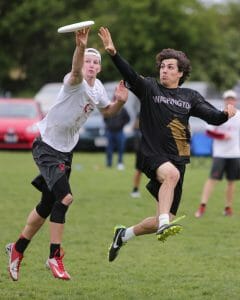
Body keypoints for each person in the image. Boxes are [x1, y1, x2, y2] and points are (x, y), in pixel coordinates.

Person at [98, 27, 236, 262]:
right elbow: (130, 75)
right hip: (151, 153)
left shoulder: (190, 97)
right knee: (169, 179)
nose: (164, 70)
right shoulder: (150, 88)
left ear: (180, 73)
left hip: (178, 157)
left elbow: (212, 117)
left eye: (170, 67)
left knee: (168, 213)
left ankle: (124, 235)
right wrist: (113, 53)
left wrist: (226, 113)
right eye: (162, 66)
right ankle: (163, 224)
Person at [5, 27, 128, 281]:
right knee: (65, 199)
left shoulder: (98, 89)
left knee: (47, 205)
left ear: (100, 68)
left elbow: (107, 112)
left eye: (96, 62)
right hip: (47, 146)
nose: (91, 65)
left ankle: (17, 249)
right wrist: (80, 47)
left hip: (65, 152)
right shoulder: (74, 81)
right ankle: (54, 256)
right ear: (82, 65)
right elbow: (74, 70)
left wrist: (121, 102)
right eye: (88, 62)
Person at [195, 90, 240, 218]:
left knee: (232, 182)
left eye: (232, 99)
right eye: (228, 99)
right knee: (212, 180)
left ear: (235, 101)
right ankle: (202, 206)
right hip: (219, 154)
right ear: (224, 100)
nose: (230, 101)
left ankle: (228, 208)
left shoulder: (239, 116)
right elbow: (208, 132)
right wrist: (222, 136)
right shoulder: (218, 113)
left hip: (234, 154)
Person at [104, 105, 130, 170]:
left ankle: (120, 163)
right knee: (109, 148)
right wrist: (108, 125)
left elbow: (128, 119)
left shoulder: (123, 109)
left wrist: (121, 124)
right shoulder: (110, 108)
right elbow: (105, 117)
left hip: (119, 131)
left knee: (121, 148)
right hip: (110, 131)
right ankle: (109, 164)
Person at [130, 114, 143, 197]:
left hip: (153, 150)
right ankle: (135, 189)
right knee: (139, 170)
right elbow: (135, 126)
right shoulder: (140, 114)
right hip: (141, 150)